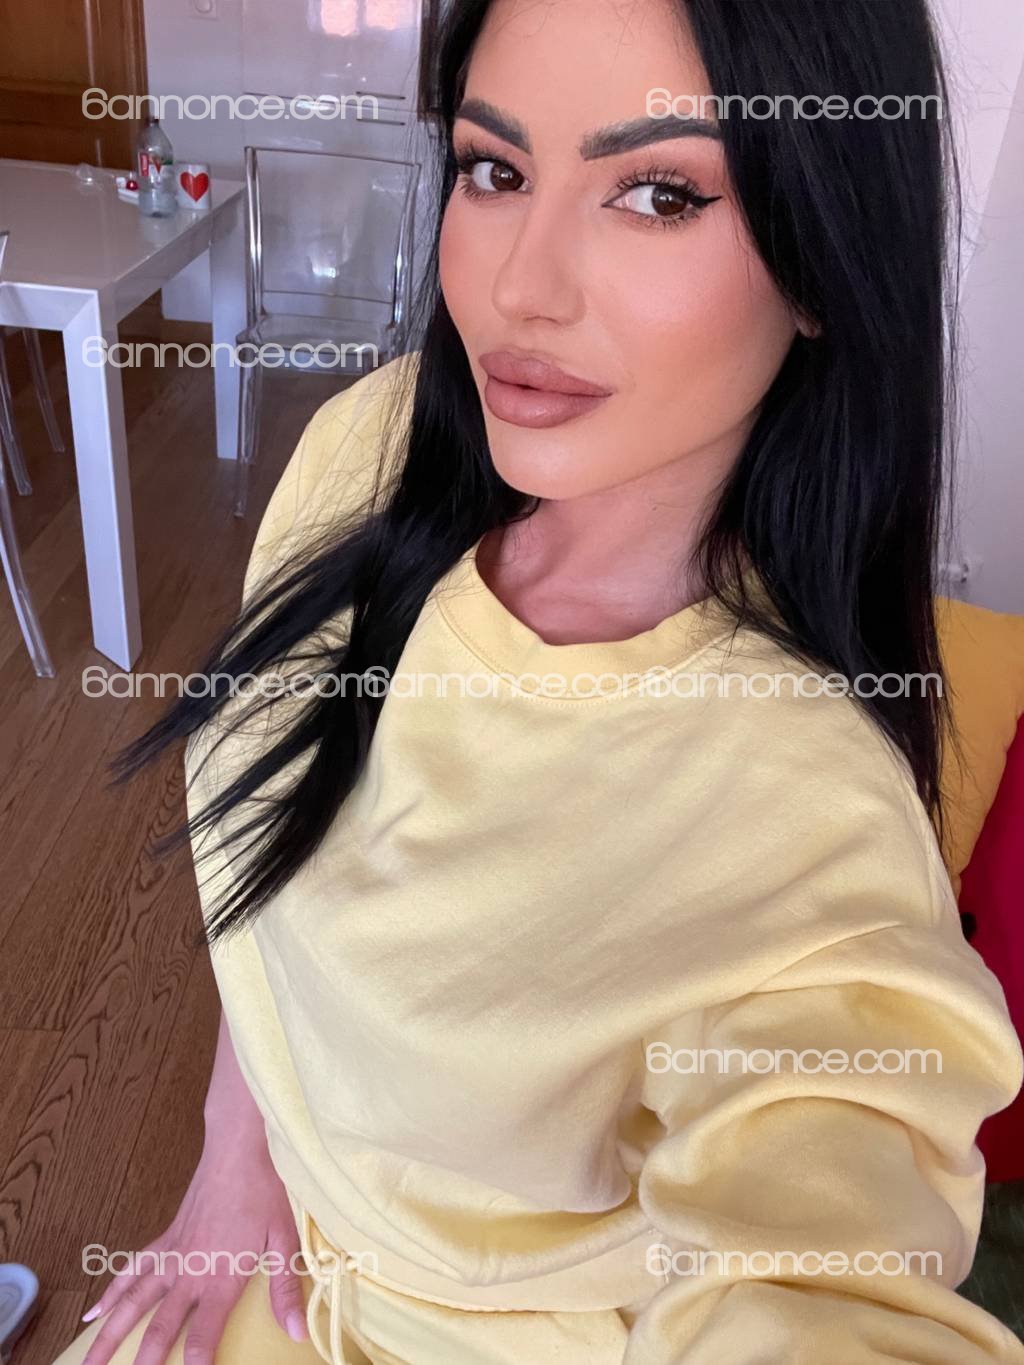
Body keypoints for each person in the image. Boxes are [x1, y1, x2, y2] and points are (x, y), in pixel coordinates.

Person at [55, 0, 1024, 1362]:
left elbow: (820, 1258)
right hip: (271, 1257)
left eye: (659, 194)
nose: (522, 289)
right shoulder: (365, 450)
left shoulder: (812, 830)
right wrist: (236, 1151)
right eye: (494, 170)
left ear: (824, 259)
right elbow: (276, 841)